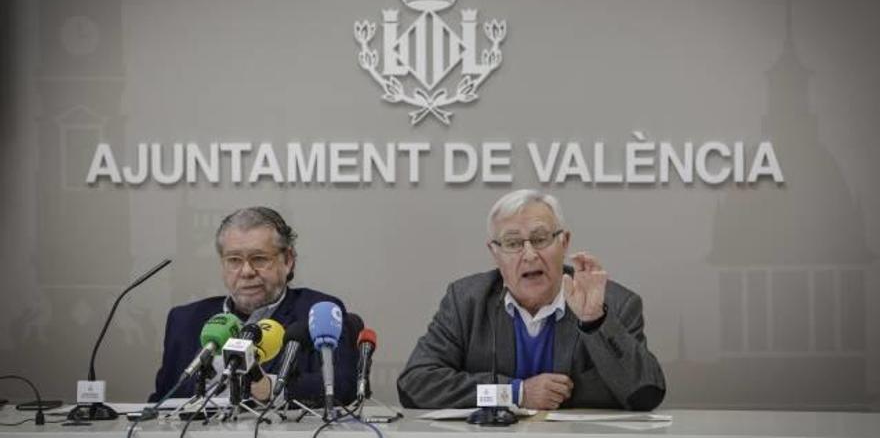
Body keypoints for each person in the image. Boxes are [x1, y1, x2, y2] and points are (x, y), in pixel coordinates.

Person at [397, 189, 666, 410]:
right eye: (513, 243)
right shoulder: (467, 301)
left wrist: (595, 321)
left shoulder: (612, 304)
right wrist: (514, 393)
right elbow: (415, 386)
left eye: (540, 239)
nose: (529, 255)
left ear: (564, 242)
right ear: (494, 252)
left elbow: (645, 394)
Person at [149, 206, 357, 405]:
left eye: (259, 259)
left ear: (288, 261)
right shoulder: (184, 319)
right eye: (234, 260)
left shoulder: (317, 313)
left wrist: (270, 388)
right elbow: (162, 401)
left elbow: (343, 386)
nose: (246, 271)